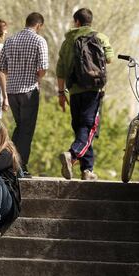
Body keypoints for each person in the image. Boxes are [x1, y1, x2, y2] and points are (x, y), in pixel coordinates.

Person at [56, 8, 113, 180]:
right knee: (88, 128)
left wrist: (60, 93)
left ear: (77, 22)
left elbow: (60, 70)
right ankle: (72, 155)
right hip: (94, 91)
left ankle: (87, 170)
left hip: (74, 90)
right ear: (90, 21)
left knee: (80, 127)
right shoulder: (100, 37)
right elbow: (109, 59)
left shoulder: (68, 42)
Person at [0, 12, 49, 177]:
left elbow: (2, 68)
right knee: (26, 130)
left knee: (19, 127)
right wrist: (37, 78)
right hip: (29, 91)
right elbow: (42, 68)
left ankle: (8, 160)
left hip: (12, 91)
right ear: (39, 25)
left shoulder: (10, 40)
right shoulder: (39, 40)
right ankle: (21, 166)